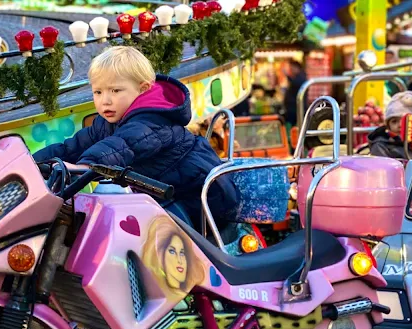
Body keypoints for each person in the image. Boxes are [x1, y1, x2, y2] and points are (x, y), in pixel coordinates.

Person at [33, 46, 240, 230]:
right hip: (167, 193)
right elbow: (73, 146)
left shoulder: (153, 120)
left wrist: (87, 166)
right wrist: (32, 162)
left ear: (143, 89)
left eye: (115, 90)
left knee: (149, 237)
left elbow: (121, 147)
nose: (105, 100)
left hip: (202, 199)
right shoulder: (107, 122)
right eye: (98, 92)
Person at [366, 90, 412, 160]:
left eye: (406, 121)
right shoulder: (381, 145)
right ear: (388, 126)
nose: (400, 125)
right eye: (394, 121)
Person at [282, 59, 307, 132]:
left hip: (295, 108)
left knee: (294, 126)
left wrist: (287, 75)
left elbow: (296, 83)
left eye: (292, 68)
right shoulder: (296, 77)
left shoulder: (301, 77)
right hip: (292, 108)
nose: (291, 70)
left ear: (297, 68)